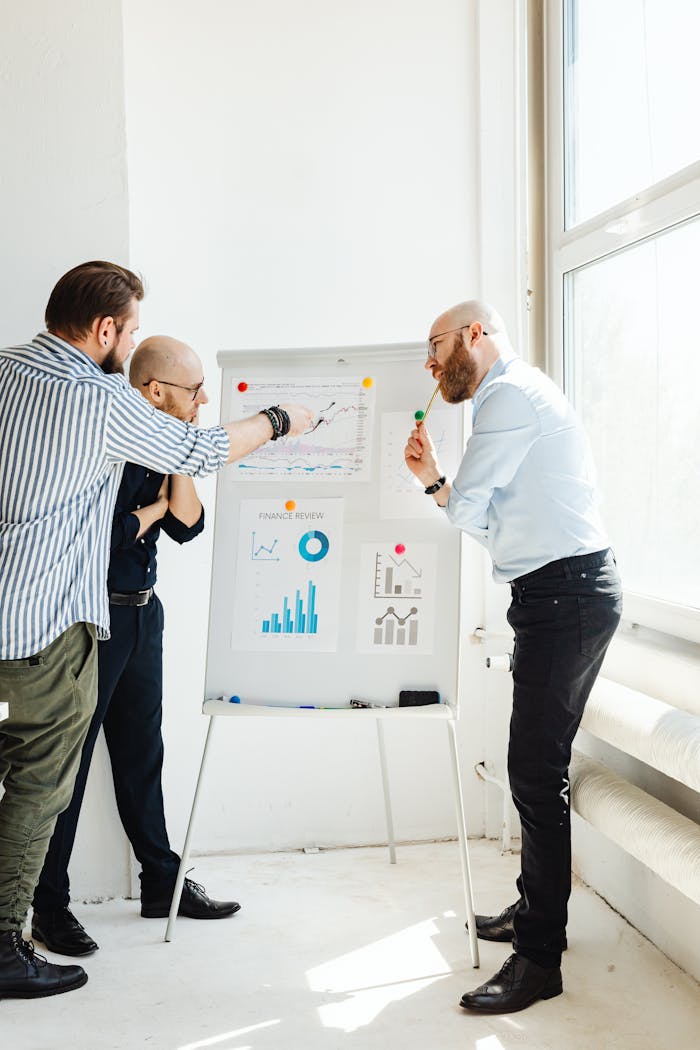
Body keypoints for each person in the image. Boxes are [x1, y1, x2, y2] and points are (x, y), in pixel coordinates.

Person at [0, 261, 312, 1000]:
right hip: (46, 623)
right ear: (106, 330)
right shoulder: (99, 397)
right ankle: (8, 942)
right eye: (131, 329)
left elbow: (182, 518)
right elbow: (201, 454)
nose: (130, 342)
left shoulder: (6, 371)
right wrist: (278, 420)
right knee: (40, 785)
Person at [404, 300, 622, 1014]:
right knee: (533, 766)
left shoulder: (506, 398)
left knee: (534, 770)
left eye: (436, 348)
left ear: (475, 333)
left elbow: (468, 511)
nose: (431, 366)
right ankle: (534, 912)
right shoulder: (515, 396)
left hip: (567, 597)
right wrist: (441, 485)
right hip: (556, 593)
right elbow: (492, 525)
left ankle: (538, 957)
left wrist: (439, 480)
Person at [31, 336, 238, 958]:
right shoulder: (105, 435)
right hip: (90, 624)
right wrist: (146, 514)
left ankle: (161, 883)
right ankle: (48, 907)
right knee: (62, 770)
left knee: (142, 755)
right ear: (154, 391)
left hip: (144, 617)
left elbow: (187, 523)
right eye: (193, 391)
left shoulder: (160, 439)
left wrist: (180, 454)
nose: (203, 400)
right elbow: (112, 531)